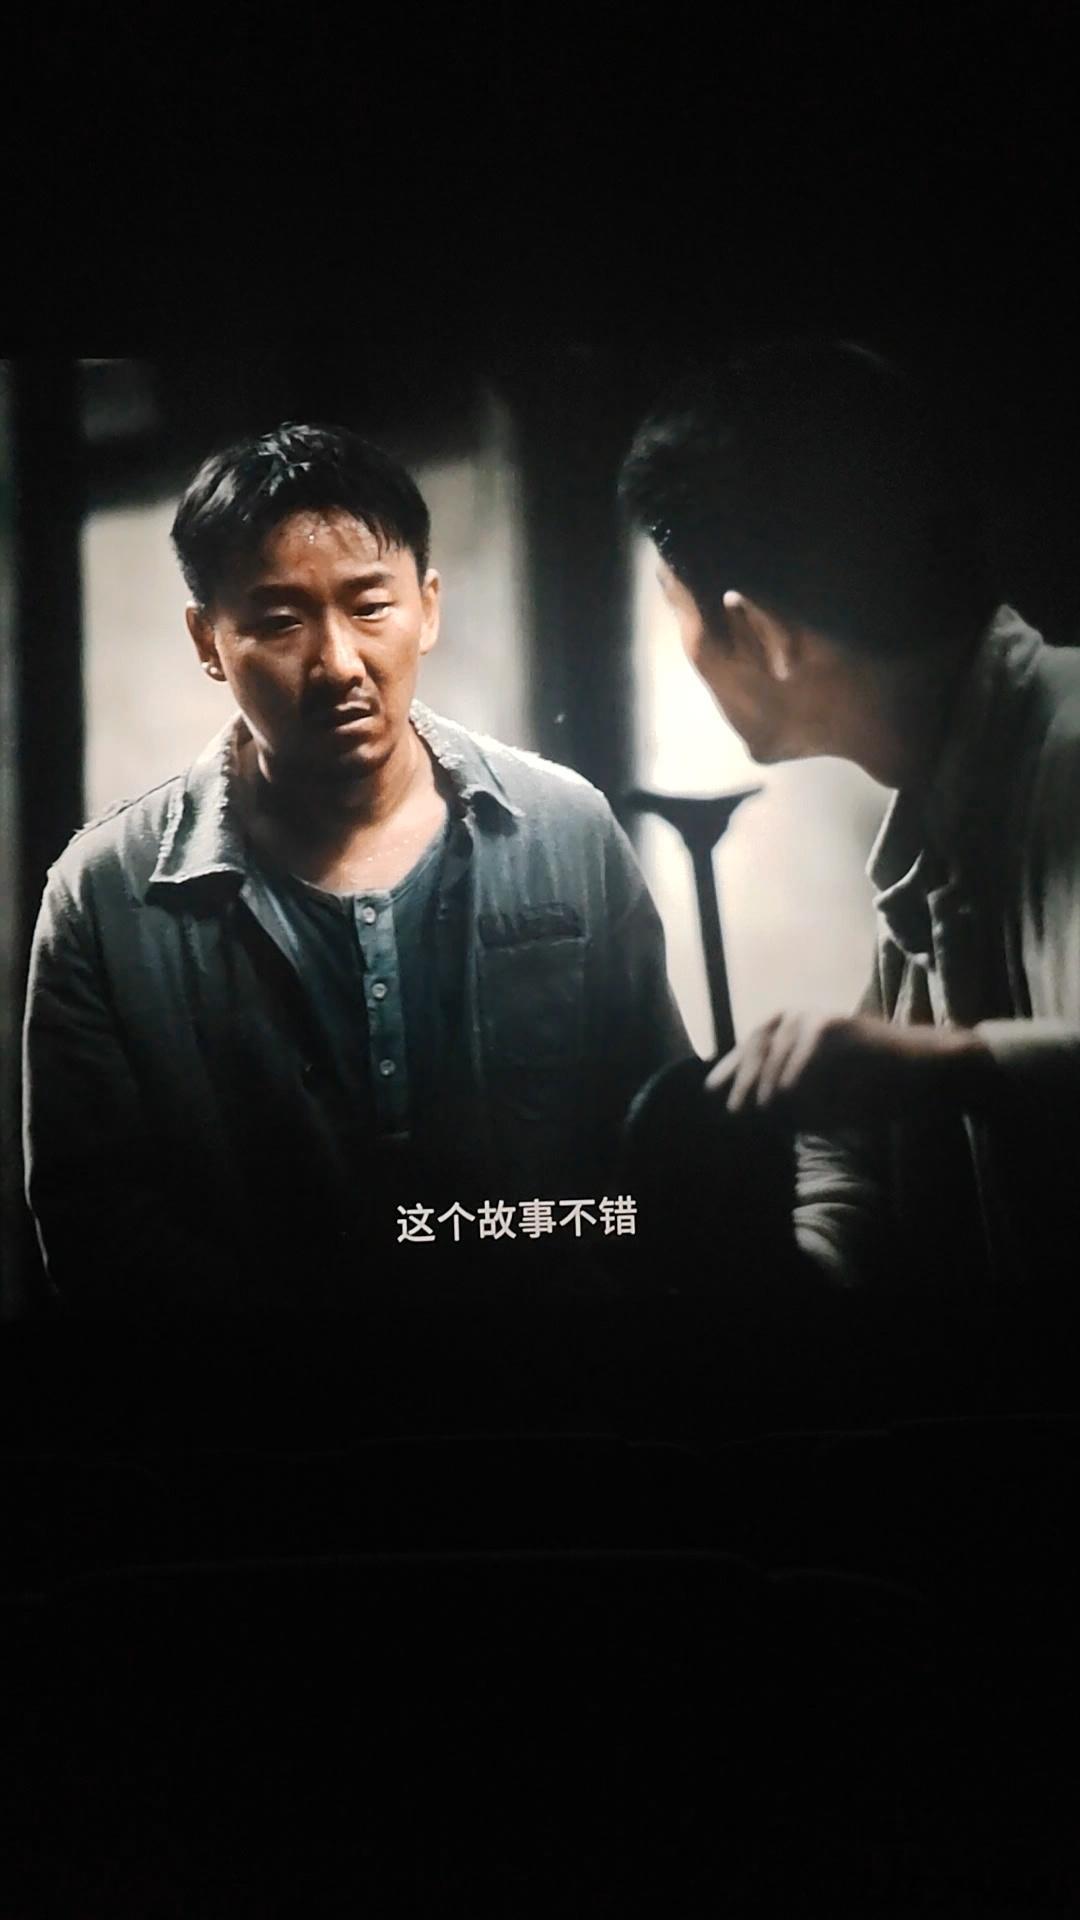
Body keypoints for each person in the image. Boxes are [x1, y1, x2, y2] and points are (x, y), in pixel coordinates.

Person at [23, 423, 689, 1311]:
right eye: (279, 621)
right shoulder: (105, 895)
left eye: (371, 607)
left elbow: (657, 1144)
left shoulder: (563, 830)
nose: (339, 664)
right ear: (208, 640)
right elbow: (95, 1227)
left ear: (428, 607)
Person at [619, 339, 1080, 1338]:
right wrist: (799, 1262)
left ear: (761, 634)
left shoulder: (1069, 755)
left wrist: (941, 1067)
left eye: (676, 610)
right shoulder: (945, 801)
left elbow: (936, 1075)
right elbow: (856, 1153)